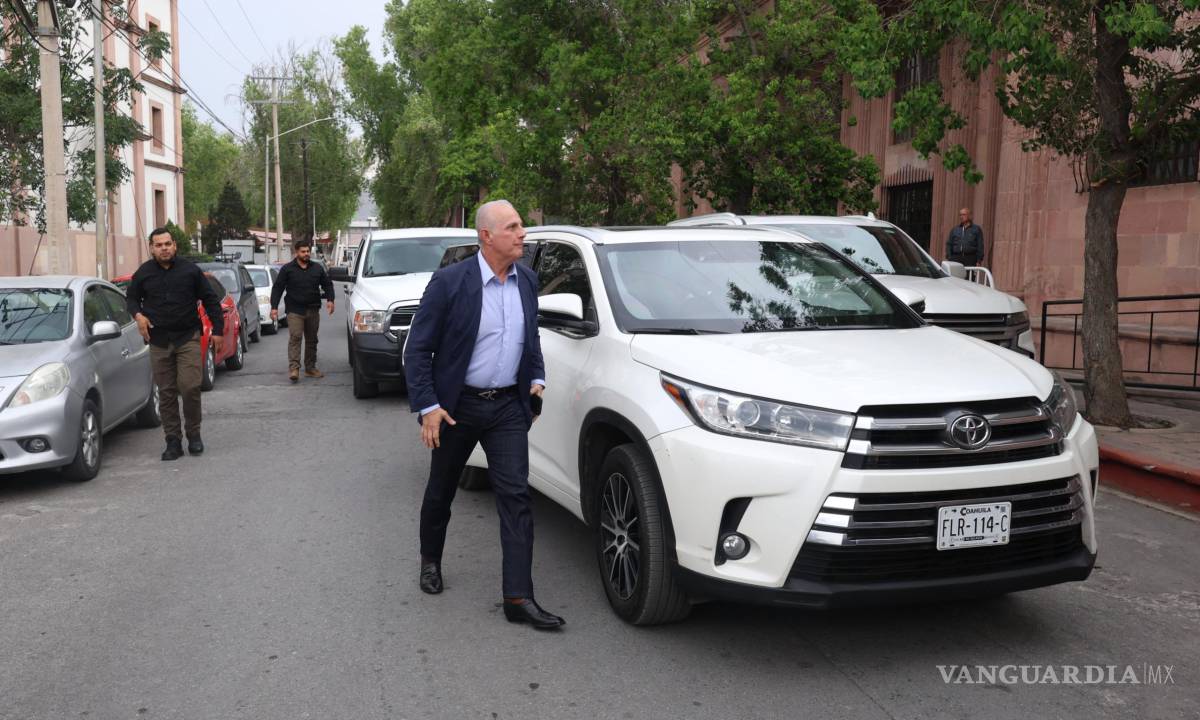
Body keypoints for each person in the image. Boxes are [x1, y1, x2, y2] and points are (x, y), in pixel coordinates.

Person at [403, 199, 562, 631]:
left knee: (516, 499)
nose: (522, 234)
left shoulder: (527, 280)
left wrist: (537, 378)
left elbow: (531, 339)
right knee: (441, 490)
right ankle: (430, 560)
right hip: (457, 408)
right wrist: (429, 407)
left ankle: (518, 597)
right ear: (487, 236)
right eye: (513, 227)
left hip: (508, 407)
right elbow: (418, 349)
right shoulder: (450, 283)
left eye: (521, 226)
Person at [126, 227, 225, 461]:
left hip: (187, 337)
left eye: (167, 244)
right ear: (151, 248)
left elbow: (211, 300)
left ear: (175, 245)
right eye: (159, 245)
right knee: (166, 392)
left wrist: (218, 331)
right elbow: (131, 298)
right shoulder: (143, 273)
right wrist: (138, 316)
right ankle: (172, 440)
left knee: (190, 387)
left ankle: (194, 434)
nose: (164, 248)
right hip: (158, 340)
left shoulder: (191, 271)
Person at [270, 238, 335, 383]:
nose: (306, 254)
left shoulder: (317, 268)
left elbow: (327, 284)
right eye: (303, 251)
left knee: (312, 340)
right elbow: (278, 288)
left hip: (313, 309)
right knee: (296, 337)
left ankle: (310, 368)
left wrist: (330, 300)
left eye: (308, 251)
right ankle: (294, 368)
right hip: (294, 310)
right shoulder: (287, 269)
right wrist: (274, 307)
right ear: (296, 252)